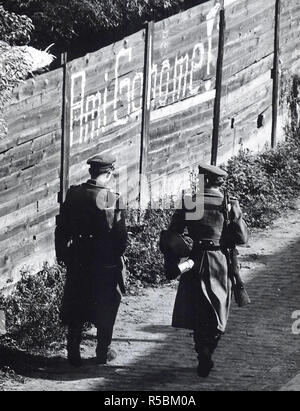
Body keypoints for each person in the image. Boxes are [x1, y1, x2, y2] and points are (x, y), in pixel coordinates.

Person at [161, 163, 248, 378]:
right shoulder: (228, 204)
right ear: (220, 182)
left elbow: (173, 234)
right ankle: (208, 347)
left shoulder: (191, 202)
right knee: (219, 310)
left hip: (195, 260)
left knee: (198, 309)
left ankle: (202, 351)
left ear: (202, 180)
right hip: (220, 261)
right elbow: (241, 238)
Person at [55, 154, 128, 367]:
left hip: (78, 257)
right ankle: (102, 352)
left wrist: (63, 256)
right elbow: (120, 237)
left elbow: (62, 229)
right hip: (103, 261)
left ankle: (73, 351)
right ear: (109, 172)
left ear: (90, 172)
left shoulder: (74, 193)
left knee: (77, 301)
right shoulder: (113, 198)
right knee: (107, 303)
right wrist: (116, 258)